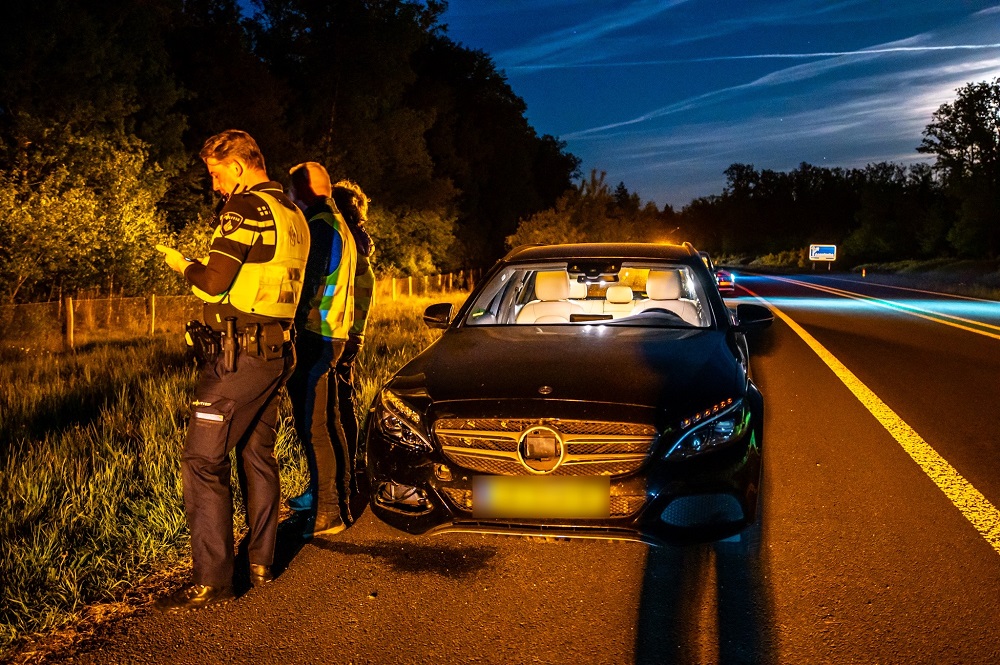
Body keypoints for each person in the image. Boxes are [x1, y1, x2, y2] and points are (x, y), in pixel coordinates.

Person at [154, 129, 310, 612]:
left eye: (218, 175)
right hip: (278, 350)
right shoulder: (293, 215)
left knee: (202, 461)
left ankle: (212, 579)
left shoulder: (243, 209)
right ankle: (261, 562)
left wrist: (186, 266)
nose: (217, 186)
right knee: (258, 455)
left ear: (239, 168)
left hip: (237, 355)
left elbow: (214, 281)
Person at [284, 162, 358, 536]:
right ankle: (339, 500)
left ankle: (327, 513)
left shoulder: (320, 226)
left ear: (302, 192)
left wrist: (288, 321)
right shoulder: (340, 222)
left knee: (313, 427)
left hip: (316, 332)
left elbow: (307, 284)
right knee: (327, 423)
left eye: (291, 192)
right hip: (335, 332)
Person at [332, 179, 375, 521]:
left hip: (336, 334)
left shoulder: (343, 246)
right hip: (351, 334)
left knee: (333, 409)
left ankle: (341, 482)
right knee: (345, 402)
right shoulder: (360, 245)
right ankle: (352, 471)